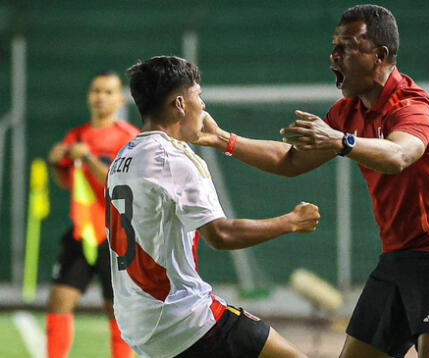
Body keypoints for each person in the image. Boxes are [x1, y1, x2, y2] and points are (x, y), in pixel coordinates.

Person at [194, 5, 429, 358]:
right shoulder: (347, 113)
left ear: (380, 55)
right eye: (334, 47)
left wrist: (340, 141)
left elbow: (398, 156)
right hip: (398, 256)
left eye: (346, 47)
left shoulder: (414, 107)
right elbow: (292, 161)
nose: (335, 57)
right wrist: (224, 139)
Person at [106, 55, 319, 358]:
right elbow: (222, 235)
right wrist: (291, 222)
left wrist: (222, 140)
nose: (203, 106)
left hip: (136, 320)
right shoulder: (175, 159)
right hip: (180, 317)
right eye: (198, 96)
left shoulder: (124, 156)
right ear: (180, 104)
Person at [46, 71, 139, 358]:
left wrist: (87, 157)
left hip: (116, 238)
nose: (101, 97)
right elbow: (68, 182)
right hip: (81, 233)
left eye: (108, 92)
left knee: (116, 311)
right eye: (96, 91)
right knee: (59, 300)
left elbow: (116, 183)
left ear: (120, 99)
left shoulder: (129, 138)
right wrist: (55, 163)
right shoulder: (77, 134)